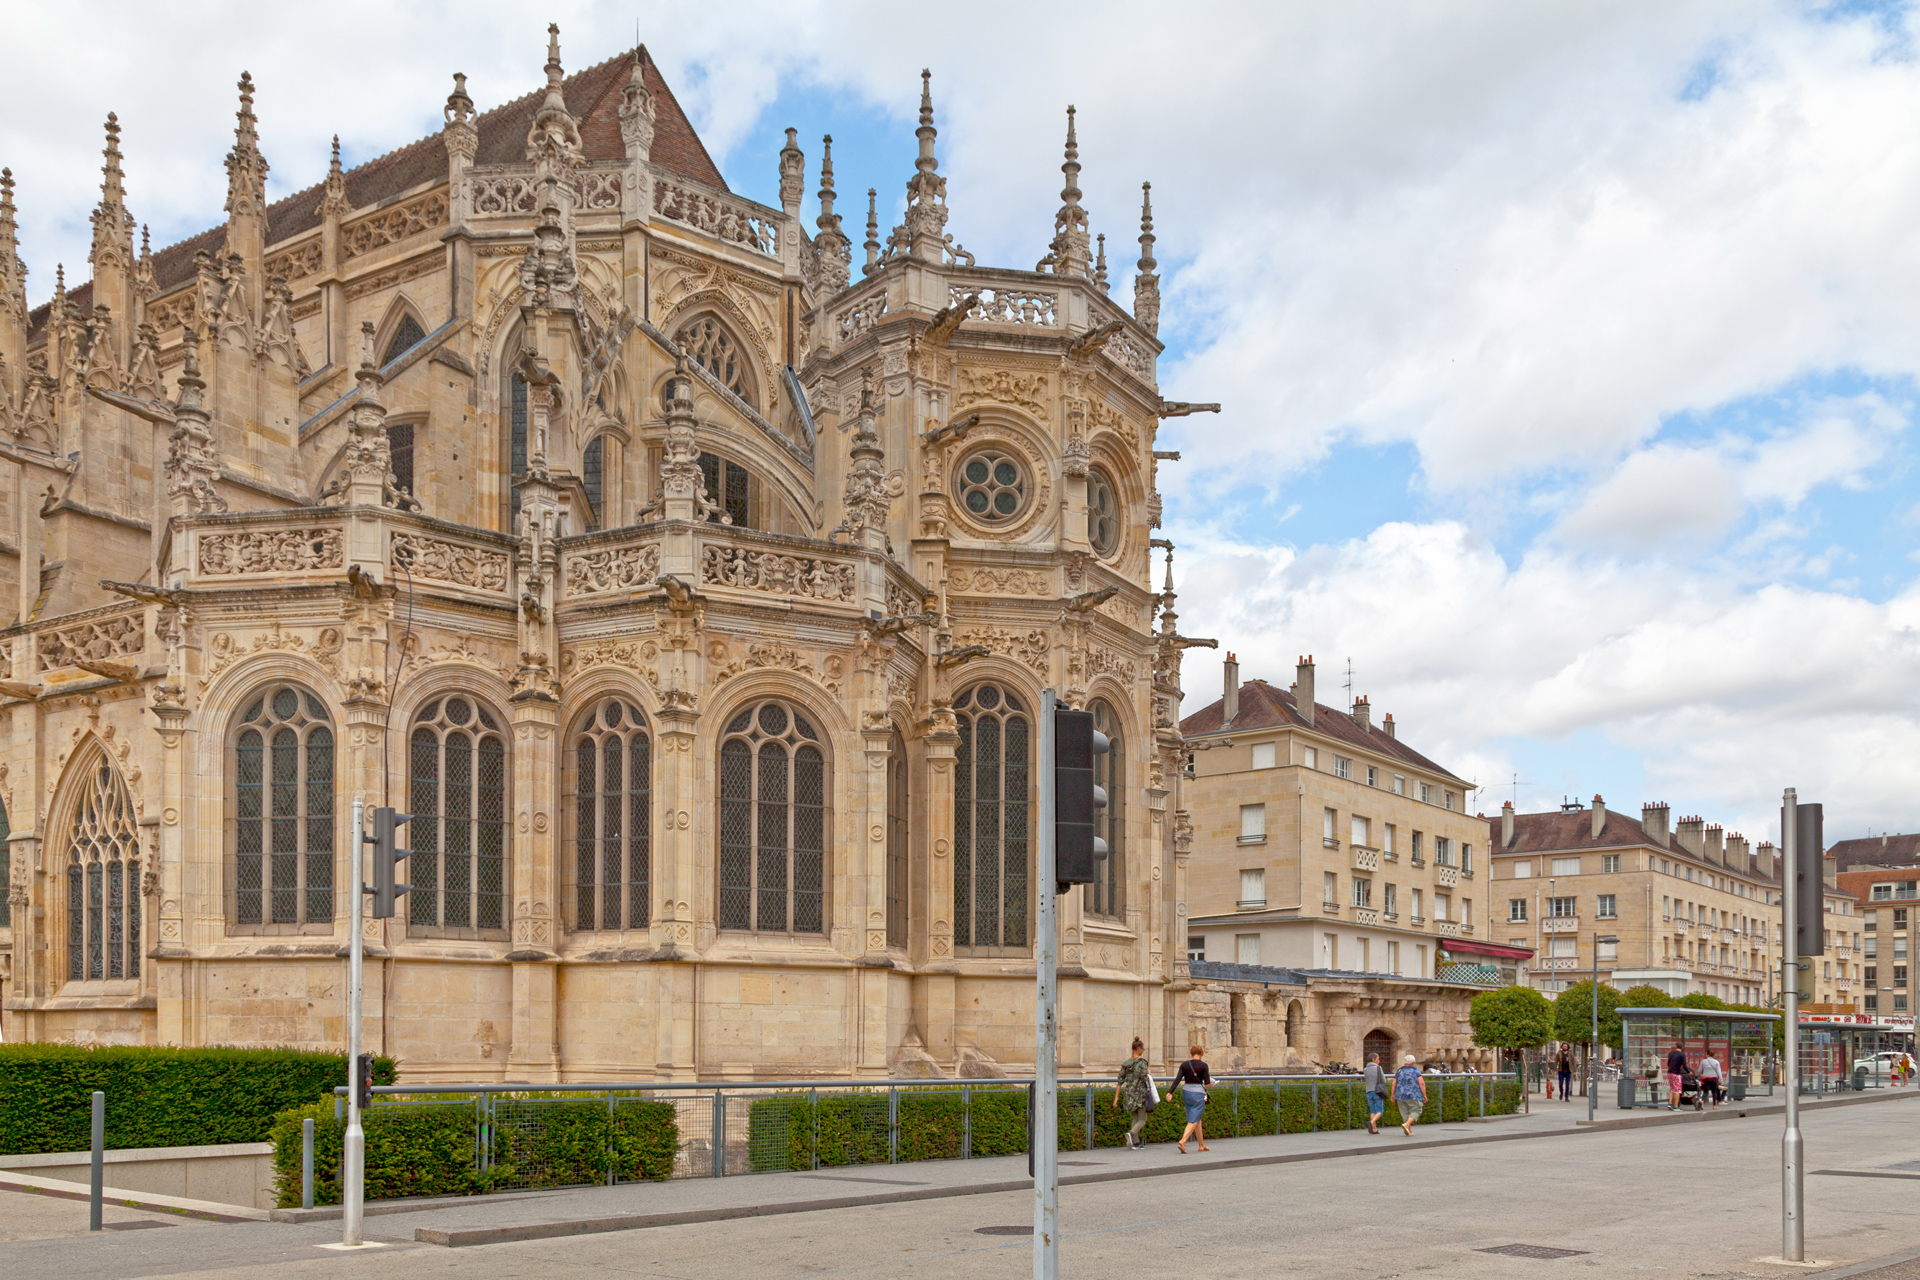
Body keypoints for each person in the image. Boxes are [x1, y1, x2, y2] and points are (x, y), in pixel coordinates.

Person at [1112, 1037, 1156, 1149]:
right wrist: (1148, 1074)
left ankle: (1135, 1143)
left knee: (1135, 1117)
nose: (1143, 1051)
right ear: (1139, 1048)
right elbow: (1144, 1079)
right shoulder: (1142, 1063)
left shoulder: (1126, 1063)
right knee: (1142, 1119)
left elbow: (1120, 1081)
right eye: (1143, 1049)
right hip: (1140, 1093)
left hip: (1129, 1094)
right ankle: (1131, 1134)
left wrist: (1116, 1098)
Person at [1167, 1044, 1211, 1153]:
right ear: (1201, 1054)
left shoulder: (1184, 1065)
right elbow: (1207, 1084)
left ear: (1191, 1053)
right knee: (1193, 1120)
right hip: (1198, 1094)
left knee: (1197, 1118)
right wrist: (1213, 1083)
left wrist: (1170, 1092)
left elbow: (1177, 1079)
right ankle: (1183, 1141)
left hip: (1186, 1092)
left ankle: (1201, 1145)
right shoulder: (1204, 1066)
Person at [1394, 1053, 1428, 1135]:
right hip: (1414, 1095)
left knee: (1404, 1112)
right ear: (1413, 1062)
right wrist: (1424, 1095)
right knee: (1417, 1109)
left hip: (1400, 1095)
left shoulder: (1399, 1070)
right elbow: (1421, 1083)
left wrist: (1393, 1094)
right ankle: (1407, 1124)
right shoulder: (1416, 1071)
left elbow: (1394, 1083)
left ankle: (1408, 1130)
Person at [1363, 1052, 1388, 1135]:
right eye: (1378, 1059)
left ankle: (1374, 1129)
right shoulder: (1378, 1068)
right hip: (1377, 1091)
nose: (1379, 1061)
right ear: (1373, 1059)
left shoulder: (1365, 1069)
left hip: (1368, 1091)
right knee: (1380, 1110)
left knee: (1372, 1110)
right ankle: (1372, 1122)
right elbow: (1383, 1079)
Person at [1666, 1043, 1688, 1111]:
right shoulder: (1682, 1055)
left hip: (1670, 1073)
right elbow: (1684, 1066)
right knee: (1678, 1090)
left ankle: (1669, 1103)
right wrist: (1688, 1072)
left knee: (1672, 1089)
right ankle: (1676, 1106)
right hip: (1676, 1074)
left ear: (1676, 1046)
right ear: (1682, 1047)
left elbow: (1668, 1063)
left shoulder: (1671, 1053)